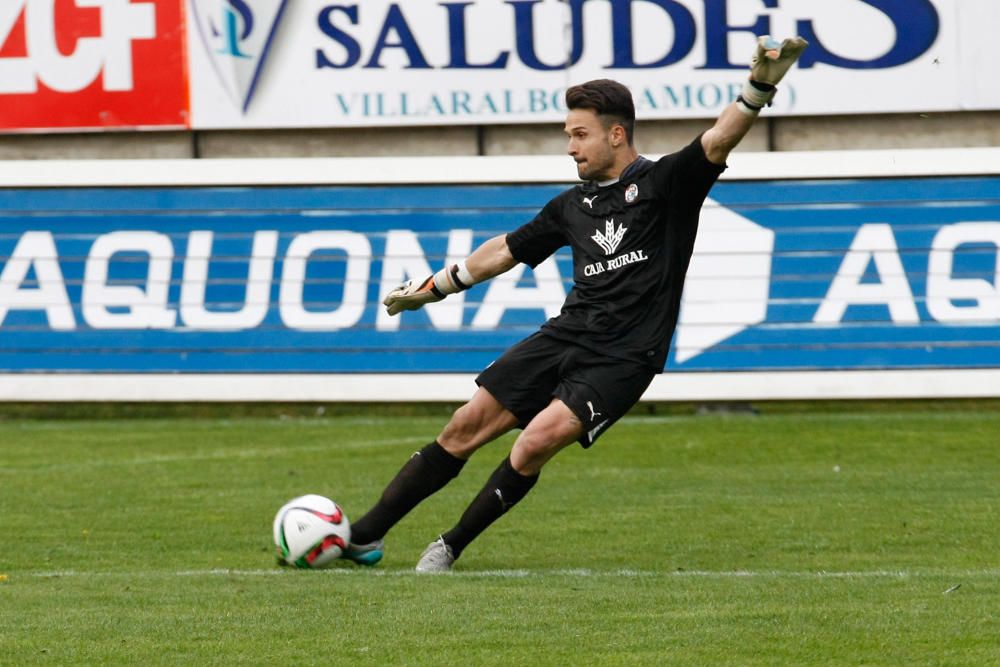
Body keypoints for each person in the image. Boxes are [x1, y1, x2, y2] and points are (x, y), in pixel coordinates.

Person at [342, 35, 808, 572]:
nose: (570, 146)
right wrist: (436, 288)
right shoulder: (571, 205)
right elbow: (504, 250)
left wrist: (759, 86)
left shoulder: (666, 184)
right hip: (567, 334)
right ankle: (361, 537)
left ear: (616, 133)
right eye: (568, 135)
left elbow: (720, 139)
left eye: (579, 134)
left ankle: (449, 545)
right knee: (464, 425)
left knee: (536, 441)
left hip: (626, 356)